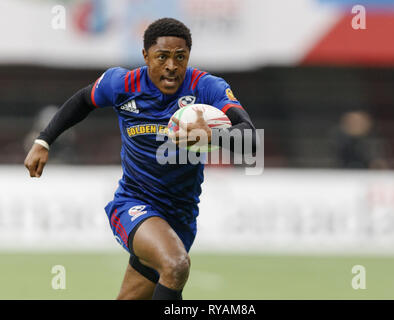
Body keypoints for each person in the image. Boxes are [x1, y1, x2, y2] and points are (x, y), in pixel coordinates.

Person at [24, 17, 257, 300]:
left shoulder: (206, 87)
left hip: (180, 216)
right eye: (162, 57)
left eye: (180, 57)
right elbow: (84, 100)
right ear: (145, 56)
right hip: (134, 204)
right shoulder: (122, 83)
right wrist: (44, 140)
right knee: (175, 265)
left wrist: (213, 137)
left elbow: (250, 137)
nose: (172, 66)